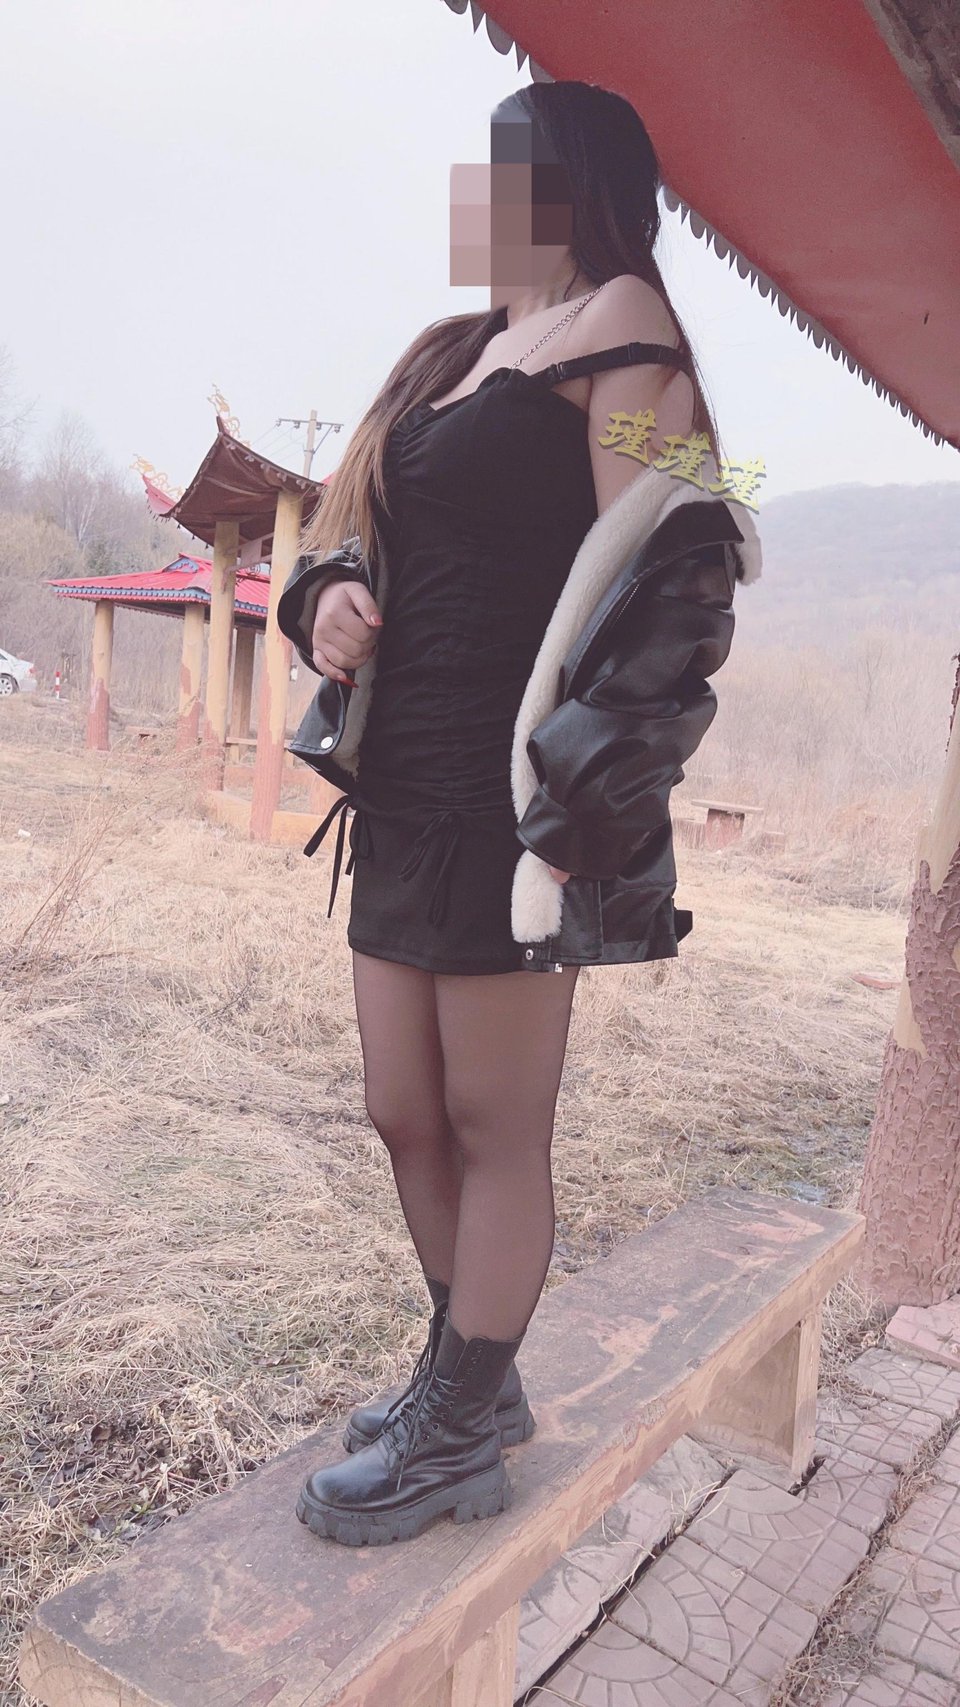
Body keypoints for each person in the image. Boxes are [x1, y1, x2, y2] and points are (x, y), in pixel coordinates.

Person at [276, 79, 762, 1548]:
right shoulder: (455, 353)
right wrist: (323, 595)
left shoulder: (628, 329)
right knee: (401, 1107)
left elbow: (693, 549)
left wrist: (597, 787)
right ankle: (469, 1381)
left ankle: (455, 1431)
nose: (475, 204)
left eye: (501, 173)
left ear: (572, 183)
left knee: (495, 1118)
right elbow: (357, 527)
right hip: (401, 778)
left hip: (514, 794)